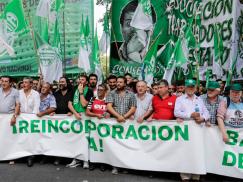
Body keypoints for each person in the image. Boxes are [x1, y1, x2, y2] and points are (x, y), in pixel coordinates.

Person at [174, 79, 209, 182]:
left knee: (197, 152)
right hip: (186, 131)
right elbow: (176, 112)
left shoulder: (199, 99)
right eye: (188, 86)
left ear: (195, 88)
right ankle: (185, 175)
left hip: (198, 131)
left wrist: (202, 118)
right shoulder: (180, 99)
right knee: (185, 152)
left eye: (192, 87)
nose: (190, 88)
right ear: (185, 87)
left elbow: (206, 112)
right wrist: (190, 115)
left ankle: (196, 175)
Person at [106, 76, 136, 174]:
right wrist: (118, 116)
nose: (118, 84)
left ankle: (125, 166)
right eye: (117, 82)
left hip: (127, 123)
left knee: (126, 145)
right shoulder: (111, 93)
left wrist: (124, 117)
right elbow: (109, 107)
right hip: (115, 122)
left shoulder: (131, 94)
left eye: (120, 82)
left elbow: (133, 108)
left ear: (125, 83)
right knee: (115, 145)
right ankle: (116, 166)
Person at [67, 74, 93, 169]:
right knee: (76, 138)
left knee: (85, 138)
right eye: (79, 79)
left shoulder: (89, 91)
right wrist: (75, 113)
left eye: (83, 80)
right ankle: (76, 159)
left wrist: (81, 93)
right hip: (76, 116)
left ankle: (85, 160)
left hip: (85, 117)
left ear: (86, 82)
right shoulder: (74, 89)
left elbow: (85, 104)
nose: (80, 81)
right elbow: (70, 103)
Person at [19, 77, 40, 167]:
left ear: (31, 84)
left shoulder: (35, 94)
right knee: (21, 137)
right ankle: (20, 155)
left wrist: (30, 118)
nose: (24, 84)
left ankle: (30, 157)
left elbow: (36, 108)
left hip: (31, 120)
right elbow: (17, 105)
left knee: (31, 138)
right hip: (21, 119)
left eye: (26, 82)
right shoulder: (18, 93)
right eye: (23, 82)